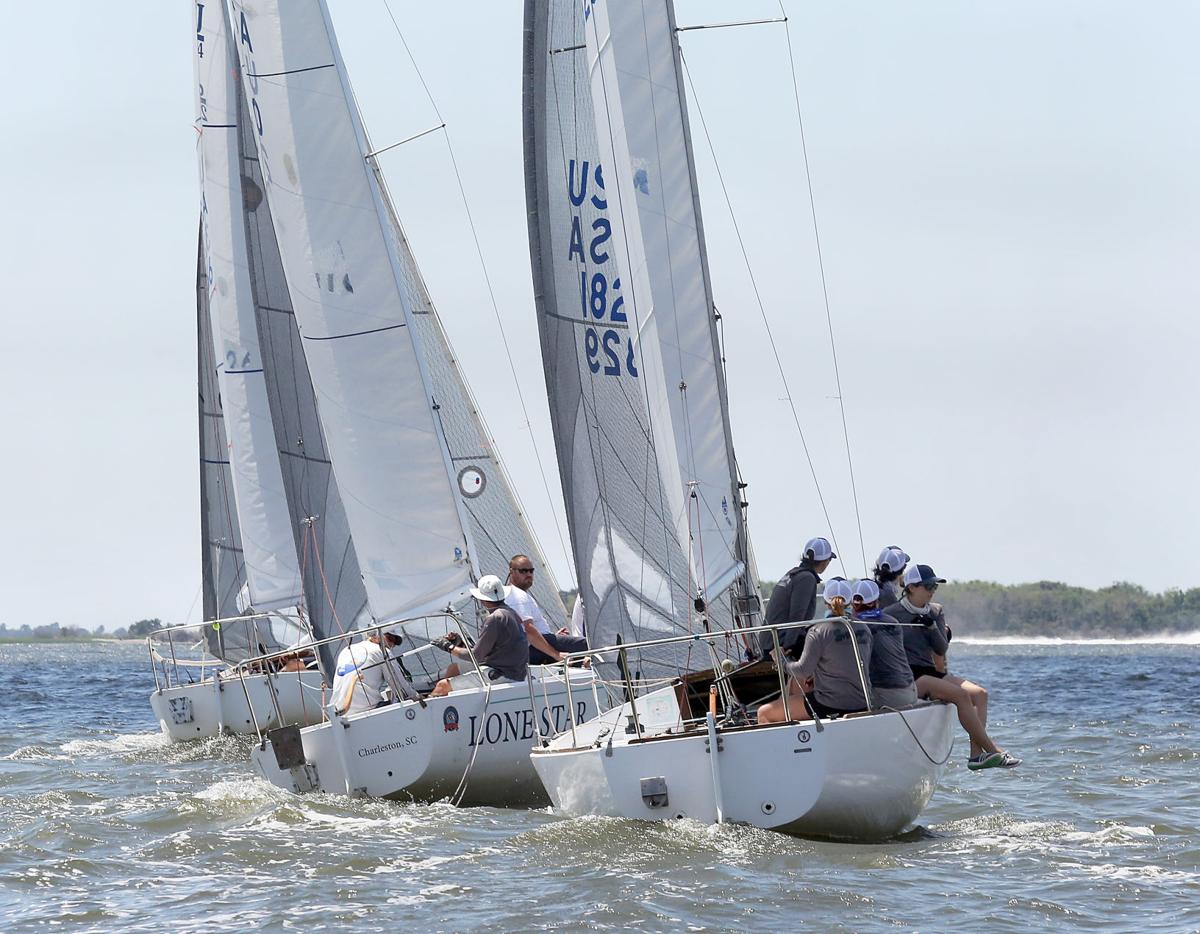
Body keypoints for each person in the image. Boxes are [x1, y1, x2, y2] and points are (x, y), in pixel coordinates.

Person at [894, 563, 1020, 770]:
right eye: (928, 587)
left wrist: (932, 627)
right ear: (911, 587)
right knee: (961, 696)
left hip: (930, 671)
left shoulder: (935, 611)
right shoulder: (893, 613)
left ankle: (976, 755)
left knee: (980, 694)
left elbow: (941, 648)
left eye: (935, 587)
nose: (932, 592)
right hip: (909, 675)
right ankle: (993, 750)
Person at [757, 578, 872, 724]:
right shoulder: (864, 628)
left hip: (828, 704)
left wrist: (782, 661)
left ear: (825, 602)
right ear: (849, 602)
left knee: (764, 713)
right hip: (862, 702)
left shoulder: (818, 631)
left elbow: (802, 670)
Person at [428, 575, 529, 697]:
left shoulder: (494, 618)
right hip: (516, 671)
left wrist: (447, 646)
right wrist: (460, 644)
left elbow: (476, 656)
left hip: (502, 674)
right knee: (453, 669)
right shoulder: (511, 613)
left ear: (482, 599)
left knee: (442, 686)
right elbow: (488, 651)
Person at [756, 536, 836, 661]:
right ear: (824, 561)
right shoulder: (806, 578)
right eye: (829, 560)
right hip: (779, 643)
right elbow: (797, 617)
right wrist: (786, 647)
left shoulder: (793, 574)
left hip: (770, 639)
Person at [504, 554, 587, 664]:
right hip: (532, 650)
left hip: (531, 648)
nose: (528, 574)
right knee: (586, 645)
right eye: (523, 571)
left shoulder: (513, 595)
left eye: (531, 571)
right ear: (511, 572)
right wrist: (556, 654)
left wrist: (553, 636)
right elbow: (528, 630)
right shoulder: (518, 596)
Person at [853, 578, 918, 709]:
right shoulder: (893, 622)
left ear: (852, 603)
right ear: (877, 601)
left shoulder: (855, 627)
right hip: (911, 690)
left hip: (888, 697)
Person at [329, 626, 420, 716]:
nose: (392, 644)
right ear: (376, 634)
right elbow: (400, 686)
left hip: (339, 713)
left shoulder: (346, 650)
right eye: (390, 638)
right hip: (367, 711)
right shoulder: (381, 651)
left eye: (395, 642)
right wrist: (418, 698)